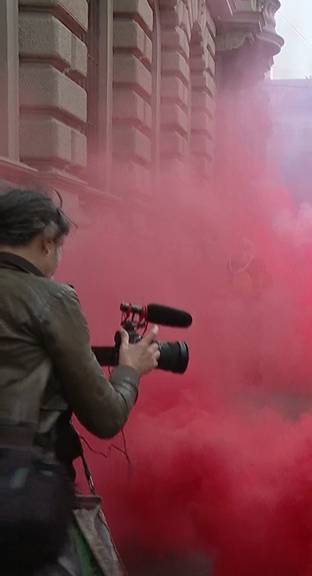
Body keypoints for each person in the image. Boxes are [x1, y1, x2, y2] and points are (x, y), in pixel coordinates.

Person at [0, 188, 161, 574]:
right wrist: (130, 370)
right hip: (18, 499)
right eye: (59, 247)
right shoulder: (52, 298)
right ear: (46, 242)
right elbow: (105, 416)